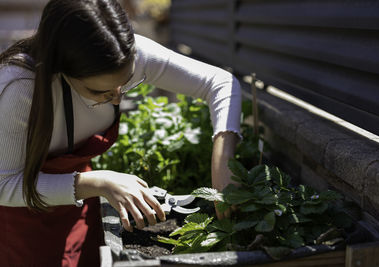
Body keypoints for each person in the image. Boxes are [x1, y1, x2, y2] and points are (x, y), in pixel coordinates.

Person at [0, 0, 241, 266]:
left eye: (124, 85)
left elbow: (220, 84)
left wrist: (223, 160)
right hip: (22, 218)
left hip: (81, 205)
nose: (116, 100)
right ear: (61, 69)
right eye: (99, 92)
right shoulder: (19, 88)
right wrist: (98, 182)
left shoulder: (124, 55)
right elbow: (3, 185)